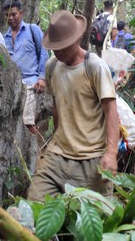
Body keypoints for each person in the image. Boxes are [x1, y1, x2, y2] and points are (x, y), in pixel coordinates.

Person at [27, 10, 119, 201]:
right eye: (54, 48)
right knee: (34, 203)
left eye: (62, 47)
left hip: (92, 157)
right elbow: (57, 105)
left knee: (95, 219)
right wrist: (54, 139)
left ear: (76, 40)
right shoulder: (52, 66)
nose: (57, 51)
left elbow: (111, 111)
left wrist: (111, 153)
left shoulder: (94, 67)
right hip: (58, 155)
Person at [2, 0, 49, 135]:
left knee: (27, 120)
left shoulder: (32, 29)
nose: (10, 18)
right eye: (6, 15)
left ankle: (36, 139)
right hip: (12, 83)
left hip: (31, 80)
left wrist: (42, 77)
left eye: (13, 14)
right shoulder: (4, 38)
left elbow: (44, 52)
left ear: (21, 13)